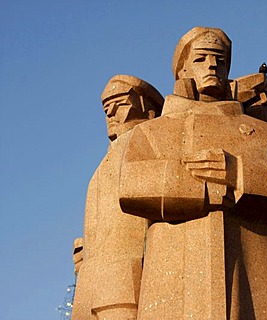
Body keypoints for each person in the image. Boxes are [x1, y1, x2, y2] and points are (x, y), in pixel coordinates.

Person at [118, 27, 267, 319]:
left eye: (220, 60)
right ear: (182, 70)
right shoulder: (152, 132)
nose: (212, 66)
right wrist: (202, 187)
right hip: (172, 286)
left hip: (254, 281)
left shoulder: (265, 134)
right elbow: (130, 184)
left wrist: (239, 174)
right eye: (201, 59)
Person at [71, 75, 164, 320]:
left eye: (120, 104)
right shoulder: (105, 160)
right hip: (92, 283)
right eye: (106, 108)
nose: (111, 114)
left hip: (125, 280)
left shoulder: (149, 146)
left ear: (149, 110)